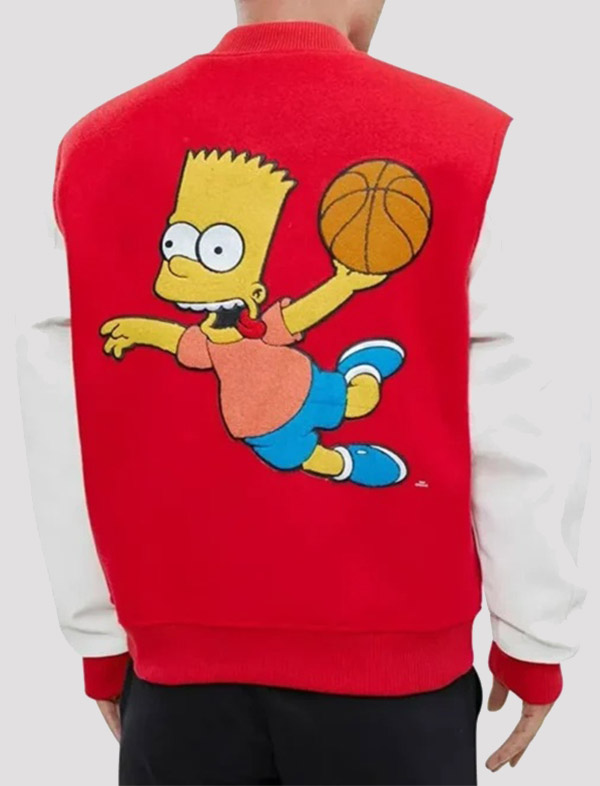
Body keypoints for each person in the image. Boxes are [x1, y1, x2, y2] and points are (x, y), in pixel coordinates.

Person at [18, 0, 589, 783]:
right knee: (311, 422)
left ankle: (351, 390)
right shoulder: (475, 143)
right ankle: (353, 399)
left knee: (318, 403)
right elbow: (526, 418)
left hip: (176, 682)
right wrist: (533, 639)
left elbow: (63, 419)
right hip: (396, 685)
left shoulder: (92, 148)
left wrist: (97, 639)